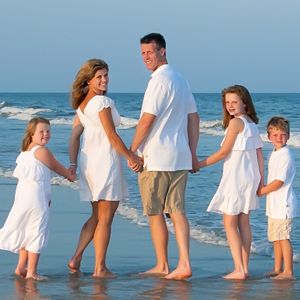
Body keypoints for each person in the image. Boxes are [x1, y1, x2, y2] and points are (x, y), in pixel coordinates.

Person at [129, 33, 200, 280]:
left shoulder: (158, 81)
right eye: (143, 54)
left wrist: (132, 151)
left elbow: (147, 120)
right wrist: (192, 152)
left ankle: (162, 264)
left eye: (150, 52)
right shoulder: (181, 80)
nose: (146, 57)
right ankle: (184, 263)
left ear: (163, 51)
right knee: (177, 210)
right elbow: (194, 118)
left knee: (155, 212)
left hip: (157, 157)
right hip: (179, 156)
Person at [67, 58, 143, 278]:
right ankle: (100, 268)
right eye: (99, 77)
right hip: (104, 162)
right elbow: (111, 135)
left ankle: (76, 257)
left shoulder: (82, 105)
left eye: (106, 75)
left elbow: (73, 138)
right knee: (105, 218)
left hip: (89, 162)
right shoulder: (102, 103)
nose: (104, 80)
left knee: (96, 215)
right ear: (88, 80)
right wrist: (132, 157)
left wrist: (73, 164)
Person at [197, 85, 264, 280]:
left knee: (229, 222)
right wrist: (261, 180)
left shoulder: (236, 123)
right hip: (251, 177)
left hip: (236, 177)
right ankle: (244, 267)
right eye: (227, 102)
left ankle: (239, 269)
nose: (230, 106)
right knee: (244, 221)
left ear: (245, 102)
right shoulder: (252, 123)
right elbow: (260, 155)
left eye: (234, 102)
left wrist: (199, 164)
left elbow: (223, 152)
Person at [0, 117, 75, 280]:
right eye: (41, 131)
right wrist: (72, 172)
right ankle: (32, 272)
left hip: (23, 197)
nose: (46, 134)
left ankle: (21, 268)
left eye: (48, 131)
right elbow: (60, 170)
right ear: (32, 134)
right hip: (35, 198)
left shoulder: (25, 152)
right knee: (36, 231)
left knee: (26, 230)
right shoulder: (42, 151)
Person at [257, 116, 297, 280]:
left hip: (284, 204)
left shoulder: (286, 155)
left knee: (284, 238)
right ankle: (277, 267)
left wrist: (262, 191)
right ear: (269, 137)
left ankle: (288, 271)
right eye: (275, 135)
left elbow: (279, 181)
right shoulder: (275, 153)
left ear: (288, 136)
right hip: (274, 204)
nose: (279, 138)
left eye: (283, 134)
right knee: (276, 237)